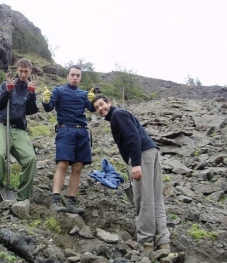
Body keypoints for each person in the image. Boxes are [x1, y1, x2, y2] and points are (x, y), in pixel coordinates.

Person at [92, 94, 170, 252]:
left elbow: (133, 137)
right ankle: (163, 241)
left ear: (109, 102)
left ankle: (147, 241)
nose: (100, 109)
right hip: (151, 153)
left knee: (143, 198)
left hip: (141, 156)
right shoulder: (119, 115)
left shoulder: (117, 115)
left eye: (102, 104)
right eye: (97, 108)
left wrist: (135, 164)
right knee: (155, 198)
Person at [42, 65, 96, 214]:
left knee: (78, 167)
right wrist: (46, 101)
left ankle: (71, 201)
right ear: (67, 76)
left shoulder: (85, 94)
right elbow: (49, 107)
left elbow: (92, 109)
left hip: (82, 131)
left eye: (78, 76)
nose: (75, 78)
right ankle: (55, 200)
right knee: (63, 164)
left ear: (80, 78)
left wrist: (93, 101)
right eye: (72, 75)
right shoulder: (59, 91)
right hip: (65, 130)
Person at [0, 58, 39, 203]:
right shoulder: (6, 84)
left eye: (26, 72)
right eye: (21, 71)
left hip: (19, 129)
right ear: (17, 70)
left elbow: (31, 110)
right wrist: (8, 90)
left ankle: (22, 197)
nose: (23, 74)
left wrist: (32, 93)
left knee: (30, 159)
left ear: (30, 72)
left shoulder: (29, 88)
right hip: (1, 124)